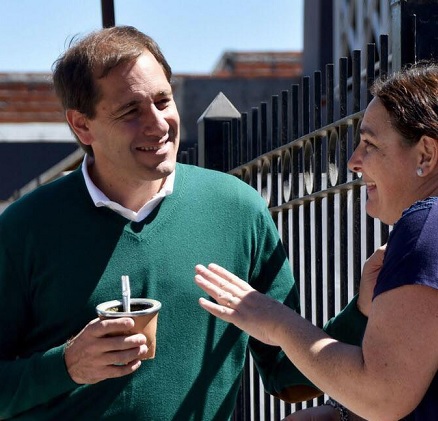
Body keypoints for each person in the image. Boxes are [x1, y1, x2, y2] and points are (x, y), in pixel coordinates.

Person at [0, 25, 369, 420]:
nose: (158, 124)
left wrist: (363, 309)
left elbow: (290, 375)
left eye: (163, 101)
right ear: (82, 125)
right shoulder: (25, 228)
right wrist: (66, 366)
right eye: (130, 111)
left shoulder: (238, 209)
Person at [194, 61, 438, 420]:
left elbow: (382, 394)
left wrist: (276, 322)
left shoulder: (425, 224)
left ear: (426, 155)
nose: (354, 161)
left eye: (370, 144)